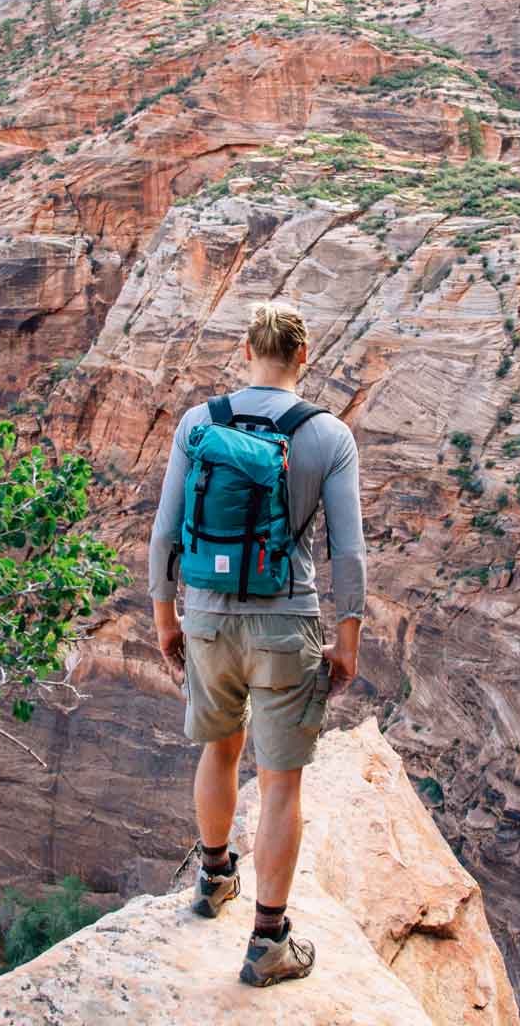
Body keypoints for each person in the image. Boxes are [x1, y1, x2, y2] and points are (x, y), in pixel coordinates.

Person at [147, 300, 366, 988]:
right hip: (284, 624)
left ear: (247, 349)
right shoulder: (328, 436)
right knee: (280, 784)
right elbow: (349, 554)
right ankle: (267, 941)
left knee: (219, 748)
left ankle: (214, 880)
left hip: (207, 618)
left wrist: (165, 618)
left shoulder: (197, 422)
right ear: (305, 356)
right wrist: (348, 638)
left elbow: (164, 533)